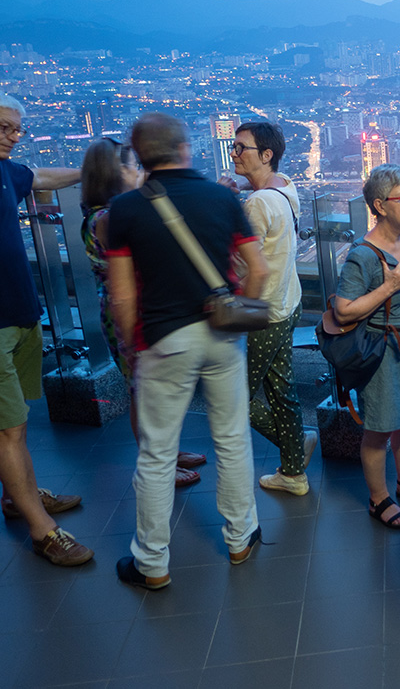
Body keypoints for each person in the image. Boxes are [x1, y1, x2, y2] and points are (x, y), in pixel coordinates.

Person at [107, 112, 268, 589]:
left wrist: (135, 345)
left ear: (140, 156)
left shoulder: (126, 210)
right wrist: (243, 311)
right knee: (232, 438)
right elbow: (257, 269)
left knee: (157, 453)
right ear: (186, 149)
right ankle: (241, 538)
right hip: (221, 334)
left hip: (164, 338)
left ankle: (152, 563)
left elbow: (121, 296)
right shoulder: (222, 197)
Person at [79, 137, 207, 487]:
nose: (140, 172)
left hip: (139, 304)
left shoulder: (109, 213)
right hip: (127, 310)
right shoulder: (107, 218)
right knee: (144, 390)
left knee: (155, 388)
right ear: (115, 172)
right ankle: (158, 465)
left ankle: (169, 451)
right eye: (134, 166)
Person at [0, 93, 90, 566]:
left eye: (17, 128)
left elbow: (41, 178)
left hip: (19, 313)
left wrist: (91, 173)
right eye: (4, 128)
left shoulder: (6, 171)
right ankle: (42, 531)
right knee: (9, 429)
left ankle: (22, 495)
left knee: (13, 425)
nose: (14, 137)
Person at [331, 164, 400, 528]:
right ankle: (378, 500)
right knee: (378, 428)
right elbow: (343, 309)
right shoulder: (363, 255)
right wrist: (388, 287)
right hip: (382, 351)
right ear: (379, 205)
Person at [223, 121, 314, 495]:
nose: (233, 153)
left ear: (266, 155)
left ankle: (294, 451)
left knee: (233, 399)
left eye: (241, 148)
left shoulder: (258, 204)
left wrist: (236, 316)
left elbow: (247, 263)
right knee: (281, 388)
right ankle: (293, 472)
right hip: (287, 303)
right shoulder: (285, 186)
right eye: (233, 146)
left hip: (263, 313)